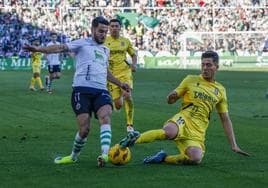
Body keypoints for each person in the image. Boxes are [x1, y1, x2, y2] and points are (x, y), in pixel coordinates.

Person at [24, 16, 130, 167]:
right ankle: (73, 156)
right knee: (84, 129)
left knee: (105, 116)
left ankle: (105, 155)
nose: (103, 34)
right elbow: (60, 48)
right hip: (82, 90)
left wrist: (120, 84)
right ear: (92, 29)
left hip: (101, 90)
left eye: (105, 32)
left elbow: (105, 71)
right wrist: (39, 49)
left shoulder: (105, 49)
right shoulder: (82, 43)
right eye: (100, 31)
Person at [119, 51, 250, 165]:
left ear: (217, 67)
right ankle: (134, 139)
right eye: (203, 64)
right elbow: (171, 99)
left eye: (208, 65)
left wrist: (234, 145)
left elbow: (225, 119)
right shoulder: (190, 80)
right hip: (184, 118)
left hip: (198, 130)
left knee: (195, 159)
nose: (205, 68)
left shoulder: (220, 90)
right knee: (169, 132)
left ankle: (164, 158)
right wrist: (172, 97)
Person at [104, 18, 137, 132]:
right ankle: (119, 98)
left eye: (116, 26)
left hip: (125, 72)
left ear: (120, 27)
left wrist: (134, 65)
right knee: (118, 105)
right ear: (109, 28)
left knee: (127, 96)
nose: (114, 28)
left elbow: (133, 55)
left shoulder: (126, 41)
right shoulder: (104, 41)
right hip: (112, 76)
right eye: (112, 26)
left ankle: (130, 124)